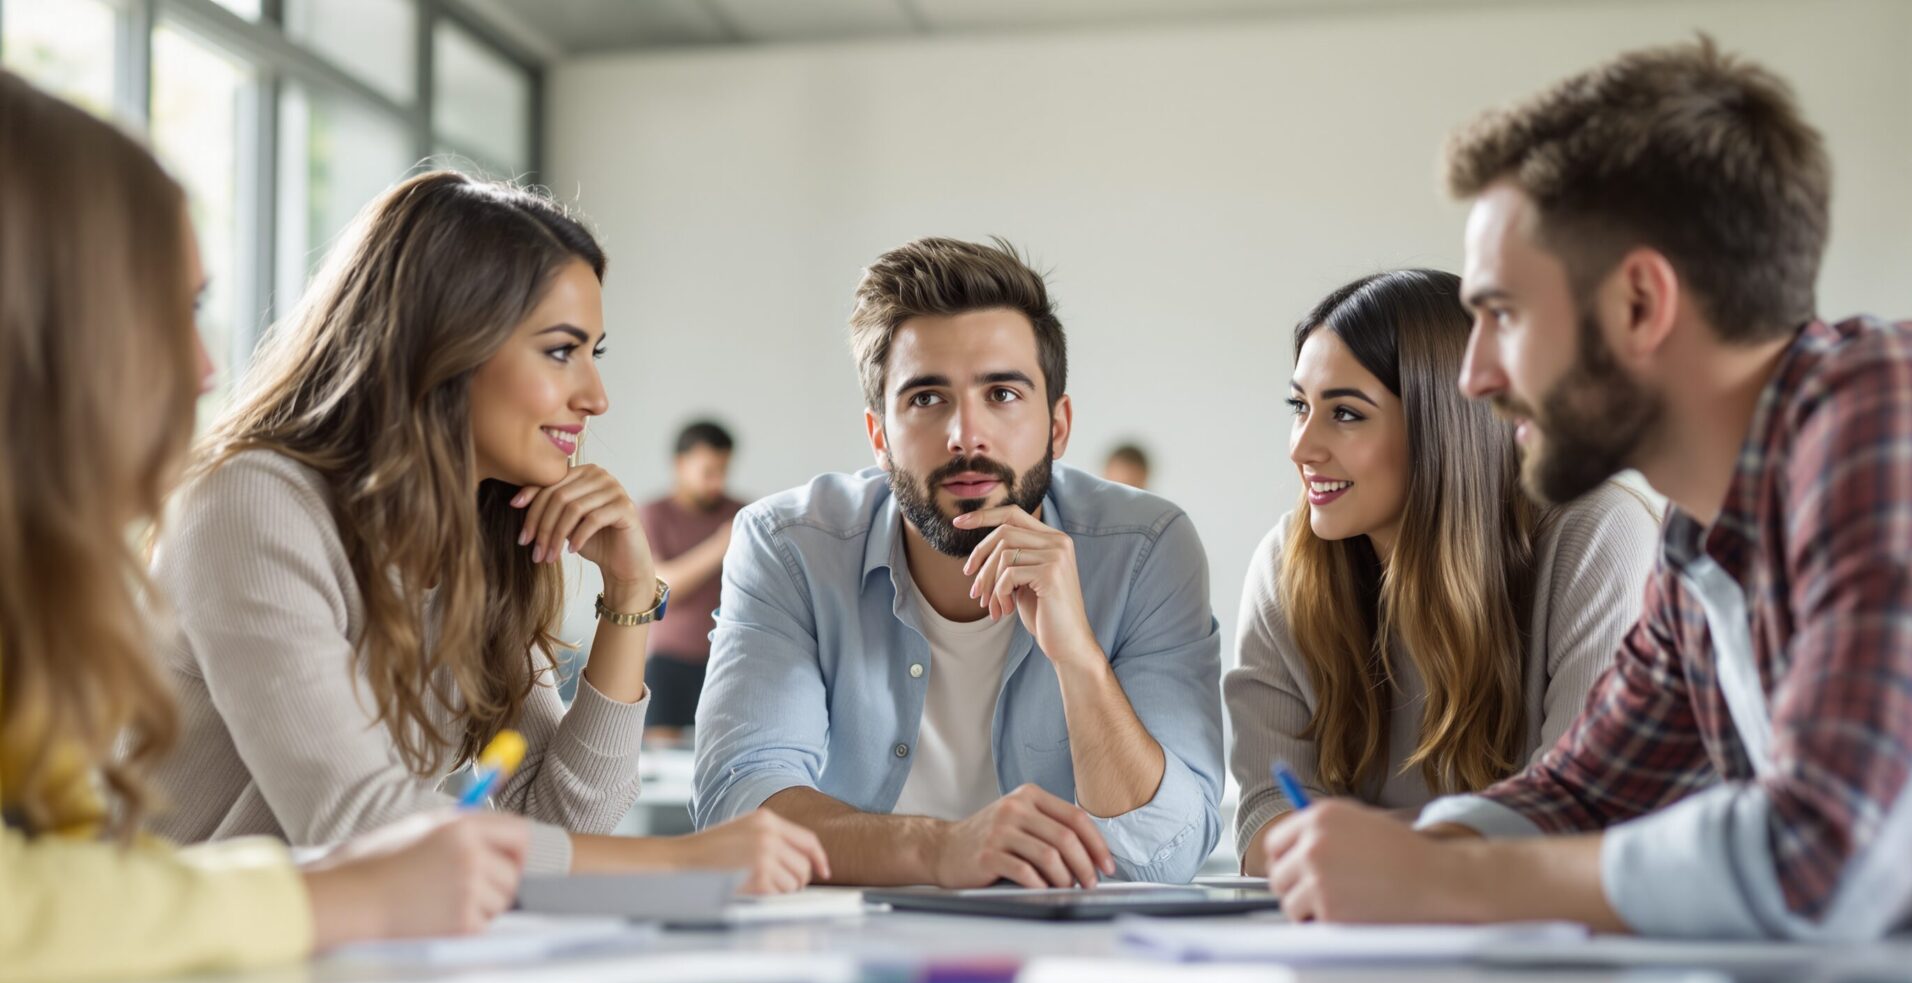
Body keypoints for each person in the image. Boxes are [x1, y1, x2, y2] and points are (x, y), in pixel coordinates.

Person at [1263, 39, 1912, 939]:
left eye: (1502, 315)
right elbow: (1585, 788)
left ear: (1641, 304)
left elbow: (1825, 857)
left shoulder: (1884, 415)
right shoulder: (1703, 530)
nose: (1475, 378)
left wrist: (1441, 884)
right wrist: (1409, 858)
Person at [143, 170, 826, 894]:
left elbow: (564, 822)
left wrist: (630, 594)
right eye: (561, 351)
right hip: (158, 982)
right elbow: (357, 826)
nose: (595, 396)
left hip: (335, 967)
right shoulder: (252, 502)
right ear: (444, 343)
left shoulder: (482, 537)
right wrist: (680, 861)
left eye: (596, 353)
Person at [0, 71, 528, 983]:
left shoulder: (34, 601)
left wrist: (626, 615)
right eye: (167, 310)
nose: (202, 364)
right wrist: (334, 897)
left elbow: (69, 872)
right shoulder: (252, 502)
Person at [692, 237, 1223, 887]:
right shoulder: (789, 546)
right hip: (847, 953)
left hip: (1074, 962)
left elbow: (1165, 855)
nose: (965, 435)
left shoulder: (1144, 550)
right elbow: (738, 807)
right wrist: (938, 848)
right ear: (880, 437)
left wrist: (1078, 657)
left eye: (1001, 394)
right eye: (926, 398)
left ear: (1058, 426)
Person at [1229, 270, 1659, 873]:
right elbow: (1266, 820)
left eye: (1346, 413)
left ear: (1442, 426)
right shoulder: (1287, 565)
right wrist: (1451, 841)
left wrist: (1368, 846)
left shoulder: (1598, 534)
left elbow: (1580, 814)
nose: (1301, 447)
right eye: (1299, 405)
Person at [637, 420, 744, 746]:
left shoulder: (742, 513)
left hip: (729, 661)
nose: (718, 482)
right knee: (660, 761)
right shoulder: (652, 514)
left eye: (723, 470)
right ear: (680, 465)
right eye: (708, 471)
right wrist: (718, 546)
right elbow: (658, 588)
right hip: (668, 663)